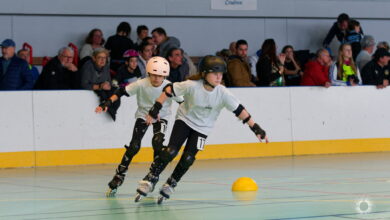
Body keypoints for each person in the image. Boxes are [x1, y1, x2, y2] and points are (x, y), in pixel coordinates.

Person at [133, 55, 268, 204]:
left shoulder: (222, 93)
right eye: (214, 73)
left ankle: (171, 183)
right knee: (171, 151)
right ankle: (150, 178)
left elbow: (240, 111)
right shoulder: (192, 85)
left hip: (203, 128)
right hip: (184, 119)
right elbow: (168, 89)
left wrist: (256, 128)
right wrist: (155, 109)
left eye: (221, 74)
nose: (218, 77)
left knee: (188, 159)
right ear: (204, 74)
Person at [95, 56, 183, 197]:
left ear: (165, 75)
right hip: (143, 115)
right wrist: (107, 103)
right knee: (134, 146)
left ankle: (153, 175)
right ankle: (119, 175)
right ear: (148, 73)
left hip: (162, 116)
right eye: (154, 75)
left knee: (158, 142)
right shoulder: (141, 83)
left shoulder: (169, 86)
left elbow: (183, 102)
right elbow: (120, 92)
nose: (156, 79)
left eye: (160, 76)